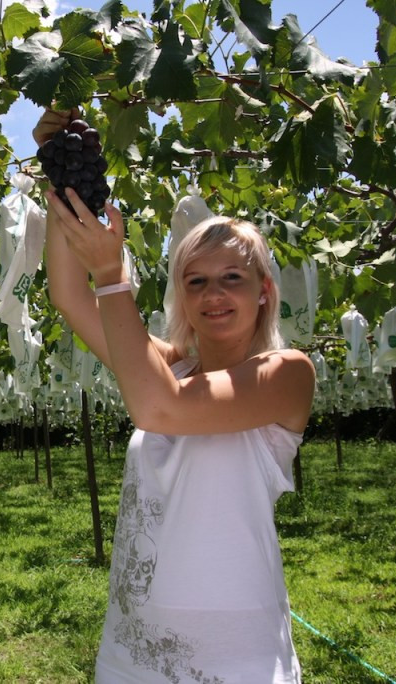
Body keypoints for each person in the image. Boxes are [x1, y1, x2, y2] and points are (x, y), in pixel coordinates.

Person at [35, 109, 316, 683]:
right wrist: (66, 178)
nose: (213, 295)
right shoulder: (166, 367)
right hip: (134, 647)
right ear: (181, 296)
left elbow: (159, 409)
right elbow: (67, 293)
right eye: (196, 281)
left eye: (231, 278)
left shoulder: (286, 374)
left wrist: (113, 277)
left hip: (237, 658)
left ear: (264, 293)